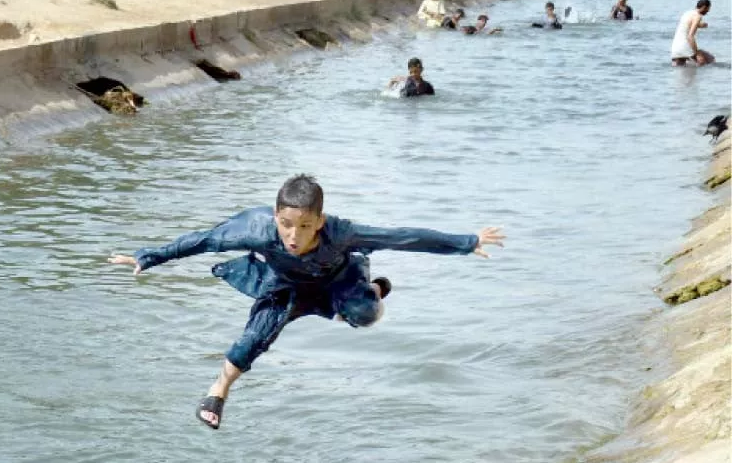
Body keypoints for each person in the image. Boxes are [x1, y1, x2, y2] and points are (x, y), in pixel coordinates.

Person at [109, 175, 504, 429]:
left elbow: (403, 237)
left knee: (365, 314)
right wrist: (149, 256)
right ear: (276, 216)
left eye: (304, 226)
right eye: (286, 225)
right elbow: (204, 240)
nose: (294, 237)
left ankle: (376, 289)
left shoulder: (342, 233)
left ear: (320, 221)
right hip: (285, 286)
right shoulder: (256, 230)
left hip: (337, 282)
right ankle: (217, 392)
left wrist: (466, 242)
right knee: (253, 340)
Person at [671, 0, 715, 67]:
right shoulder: (698, 16)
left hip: (675, 49)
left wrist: (700, 25)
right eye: (708, 9)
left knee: (682, 70)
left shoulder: (687, 13)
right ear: (704, 7)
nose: (708, 11)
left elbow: (687, 24)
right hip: (685, 47)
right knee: (711, 59)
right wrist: (696, 53)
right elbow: (690, 36)